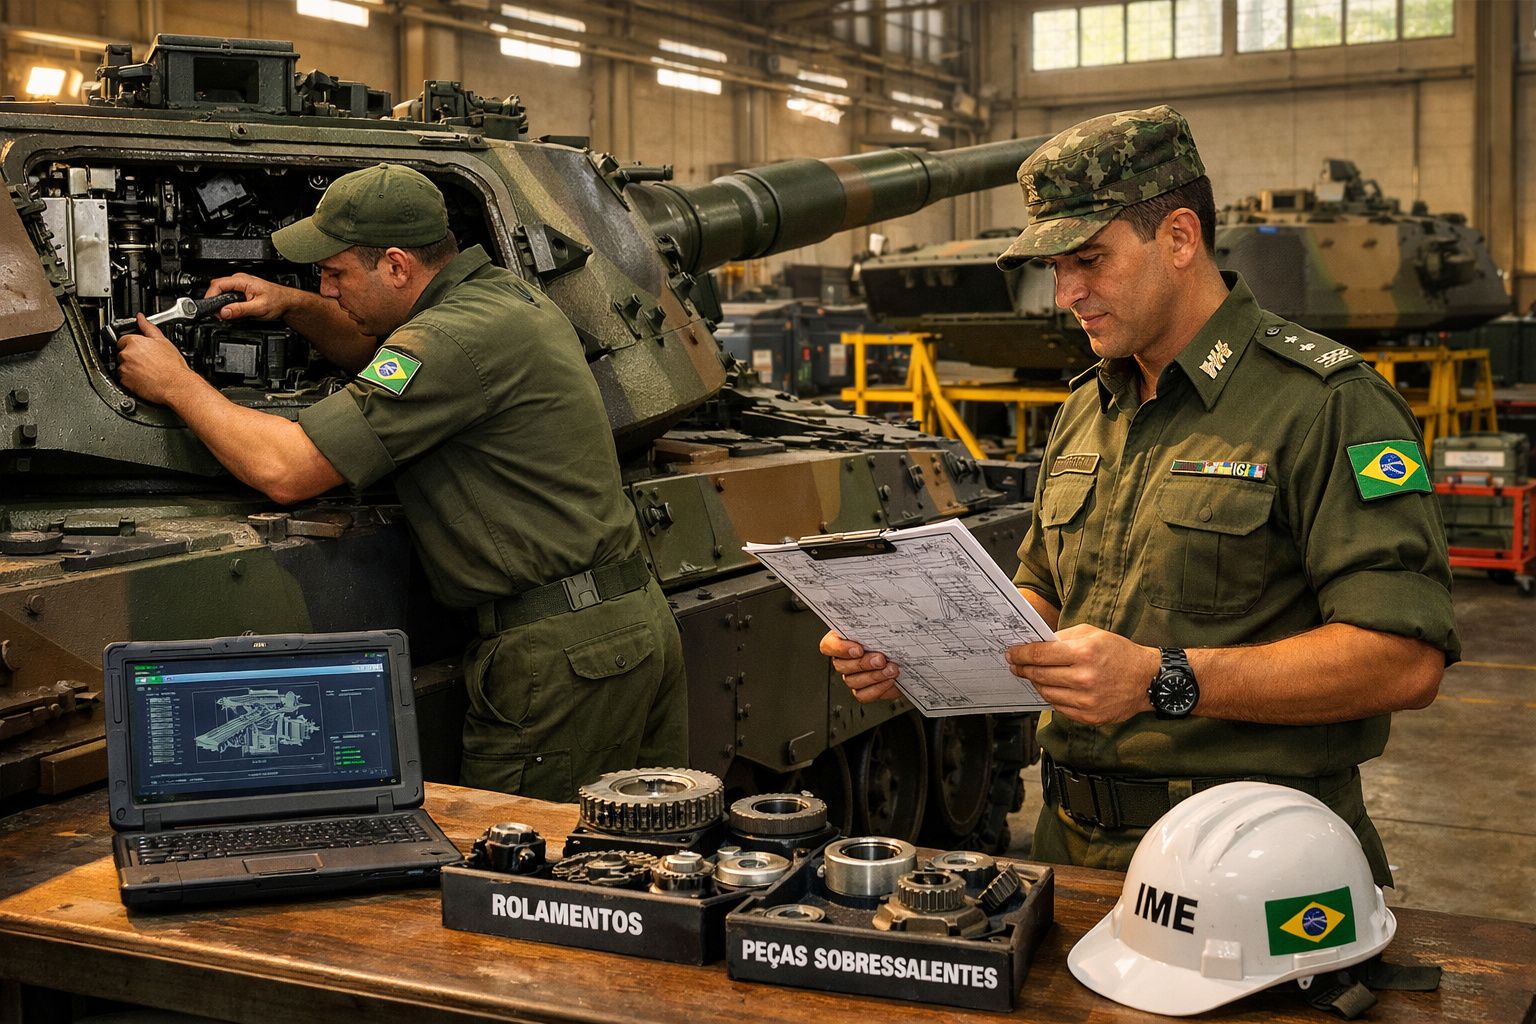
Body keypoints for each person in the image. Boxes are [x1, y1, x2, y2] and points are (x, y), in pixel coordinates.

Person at [821, 106, 1458, 885]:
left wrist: (1162, 677)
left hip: (1251, 863)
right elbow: (1048, 596)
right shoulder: (1089, 407)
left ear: (1180, 238)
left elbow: (1403, 661)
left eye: (1089, 259)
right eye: (1055, 268)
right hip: (1069, 847)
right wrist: (915, 644)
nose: (1066, 294)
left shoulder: (1327, 405)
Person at [115, 162, 688, 803]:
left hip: (557, 658)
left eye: (333, 275)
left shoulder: (448, 338)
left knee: (525, 882)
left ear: (395, 266)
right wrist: (293, 305)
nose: (326, 290)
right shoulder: (500, 298)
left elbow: (286, 470)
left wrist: (175, 383)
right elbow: (386, 358)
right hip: (619, 625)